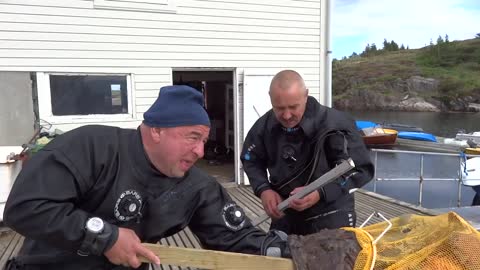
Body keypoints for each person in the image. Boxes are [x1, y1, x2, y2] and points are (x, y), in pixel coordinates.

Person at [3, 85, 288, 270]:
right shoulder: (90, 148)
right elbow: (26, 207)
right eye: (192, 137)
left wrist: (292, 251)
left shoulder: (197, 187)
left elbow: (235, 238)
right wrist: (106, 237)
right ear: (156, 130)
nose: (200, 151)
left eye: (204, 140)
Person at [241, 70, 374, 235]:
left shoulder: (337, 123)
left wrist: (321, 193)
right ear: (270, 98)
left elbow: (362, 169)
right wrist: (263, 189)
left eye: (293, 107)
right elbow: (250, 159)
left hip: (330, 212)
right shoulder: (263, 127)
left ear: (305, 95)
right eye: (279, 108)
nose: (287, 115)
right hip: (285, 213)